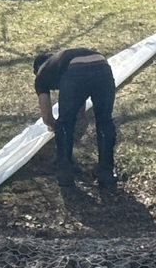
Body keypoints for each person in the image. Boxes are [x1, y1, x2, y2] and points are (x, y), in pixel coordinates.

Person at [34, 48, 117, 188]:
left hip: (76, 72)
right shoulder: (64, 59)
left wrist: (58, 129)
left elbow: (47, 117)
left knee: (65, 123)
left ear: (37, 69)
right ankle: (106, 172)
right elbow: (80, 111)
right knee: (105, 121)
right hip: (102, 67)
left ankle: (65, 173)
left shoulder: (42, 74)